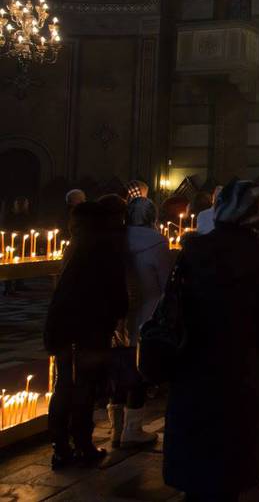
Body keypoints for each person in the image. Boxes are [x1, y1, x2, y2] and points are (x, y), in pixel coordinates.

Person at [163, 180, 259, 501]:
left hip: (191, 373)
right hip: (237, 377)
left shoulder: (192, 251)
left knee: (196, 473)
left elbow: (172, 310)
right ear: (258, 215)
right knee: (226, 474)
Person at [44, 201, 129, 469]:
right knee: (85, 386)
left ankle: (60, 448)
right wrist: (120, 312)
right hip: (90, 327)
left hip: (62, 325)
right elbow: (115, 289)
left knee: (63, 385)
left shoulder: (75, 244)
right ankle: (82, 444)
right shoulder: (105, 247)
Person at [108, 197, 172, 448]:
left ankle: (116, 429)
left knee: (119, 368)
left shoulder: (118, 238)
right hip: (149, 309)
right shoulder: (156, 242)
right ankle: (132, 429)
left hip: (121, 312)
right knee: (138, 370)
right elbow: (166, 280)